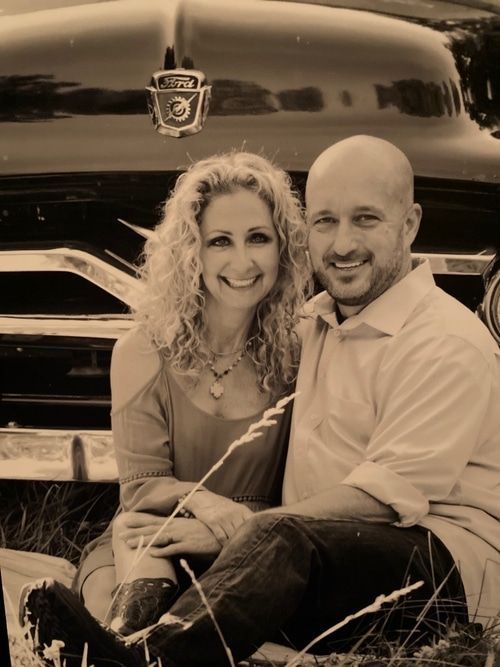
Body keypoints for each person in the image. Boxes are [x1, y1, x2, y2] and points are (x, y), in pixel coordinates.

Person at [21, 136, 500, 667]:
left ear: (409, 224)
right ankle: (114, 637)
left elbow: (385, 497)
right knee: (146, 537)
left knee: (277, 536)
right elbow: (150, 489)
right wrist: (218, 529)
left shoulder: (443, 342)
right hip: (311, 554)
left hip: (441, 565)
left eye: (366, 219)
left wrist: (240, 530)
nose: (342, 244)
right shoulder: (315, 324)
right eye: (325, 222)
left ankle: (145, 661)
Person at [45, 150, 310, 639]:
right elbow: (142, 491)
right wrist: (207, 505)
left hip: (259, 544)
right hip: (154, 538)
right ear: (193, 253)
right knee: (124, 562)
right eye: (219, 242)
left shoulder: (298, 353)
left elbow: (308, 494)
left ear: (283, 249)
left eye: (259, 238)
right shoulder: (143, 351)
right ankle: (122, 633)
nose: (242, 261)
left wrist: (227, 529)